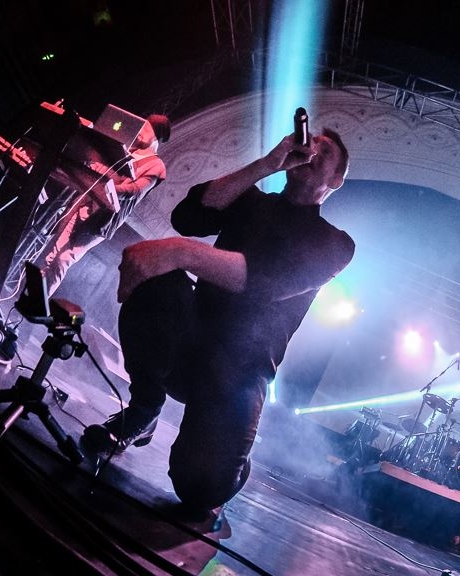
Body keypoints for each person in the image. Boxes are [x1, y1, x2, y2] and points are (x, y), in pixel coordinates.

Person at [81, 126, 354, 513]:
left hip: (239, 374)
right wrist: (266, 164)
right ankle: (143, 408)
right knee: (159, 281)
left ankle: (234, 455)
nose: (312, 152)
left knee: (200, 490)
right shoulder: (251, 201)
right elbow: (188, 217)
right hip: (190, 339)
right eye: (311, 144)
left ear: (337, 180)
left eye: (324, 154)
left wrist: (180, 252)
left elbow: (264, 281)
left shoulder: (335, 244)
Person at [39, 113, 171, 296]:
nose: (140, 131)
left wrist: (107, 188)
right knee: (52, 255)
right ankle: (31, 297)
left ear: (156, 137)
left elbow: (134, 190)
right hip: (84, 203)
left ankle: (39, 301)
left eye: (146, 128)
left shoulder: (156, 166)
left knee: (64, 258)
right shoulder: (126, 149)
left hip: (102, 219)